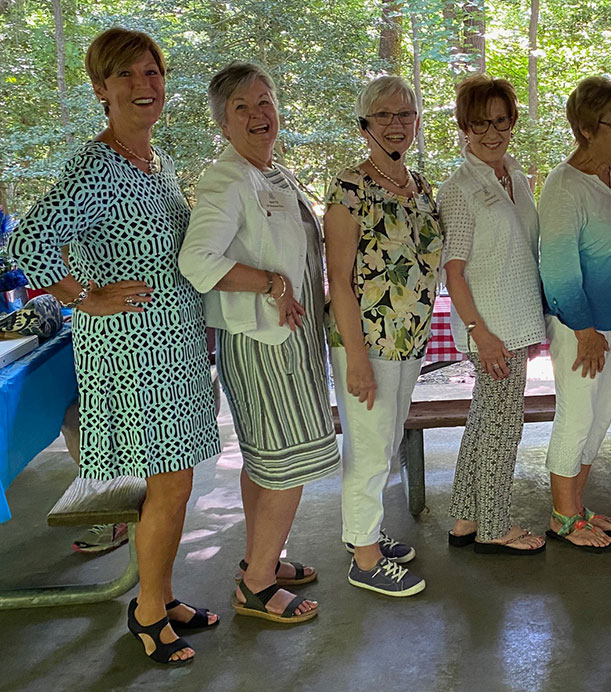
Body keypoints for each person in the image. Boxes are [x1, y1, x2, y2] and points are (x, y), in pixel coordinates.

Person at [8, 28, 220, 663]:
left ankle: (160, 592)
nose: (143, 85)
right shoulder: (94, 165)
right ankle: (150, 613)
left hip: (175, 343)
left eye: (151, 72)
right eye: (125, 75)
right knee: (171, 485)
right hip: (133, 351)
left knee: (171, 485)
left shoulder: (156, 161)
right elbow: (26, 245)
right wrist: (85, 296)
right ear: (102, 89)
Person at [180, 62, 340, 623]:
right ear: (223, 122)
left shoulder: (272, 173)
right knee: (288, 466)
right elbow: (198, 261)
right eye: (242, 107)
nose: (258, 114)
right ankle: (256, 586)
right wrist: (270, 284)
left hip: (289, 340)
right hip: (265, 342)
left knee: (265, 463)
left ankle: (260, 559)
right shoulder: (227, 179)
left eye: (265, 101)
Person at [324, 75, 442, 595]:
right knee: (370, 449)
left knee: (387, 441)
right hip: (368, 341)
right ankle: (365, 560)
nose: (397, 124)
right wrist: (355, 358)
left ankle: (363, 534)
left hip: (408, 341)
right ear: (365, 125)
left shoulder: (421, 185)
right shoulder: (351, 188)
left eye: (406, 114)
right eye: (385, 116)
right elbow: (340, 281)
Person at [437, 75, 546, 555]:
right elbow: (453, 272)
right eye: (480, 122)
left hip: (518, 319)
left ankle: (464, 517)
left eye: (501, 121)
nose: (491, 132)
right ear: (464, 126)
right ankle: (495, 526)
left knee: (485, 420)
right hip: (492, 328)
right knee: (504, 425)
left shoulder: (514, 175)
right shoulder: (460, 188)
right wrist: (480, 333)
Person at [538, 76, 611, 552]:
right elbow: (557, 269)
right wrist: (583, 329)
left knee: (601, 416)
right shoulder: (564, 186)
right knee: (576, 416)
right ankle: (562, 516)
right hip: (582, 327)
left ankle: (577, 505)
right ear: (584, 126)